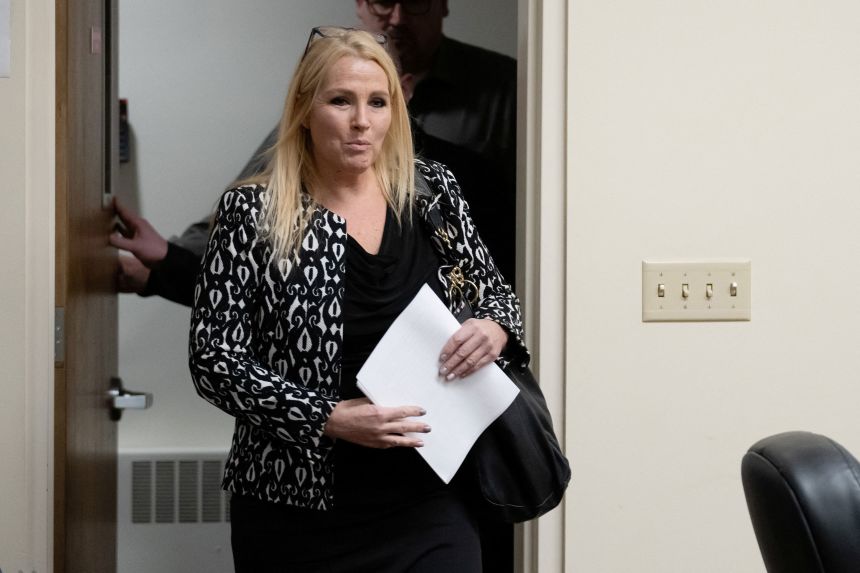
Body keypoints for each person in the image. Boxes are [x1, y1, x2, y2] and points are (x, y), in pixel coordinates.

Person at [187, 28, 527, 572]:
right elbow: (213, 360)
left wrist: (495, 327)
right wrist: (329, 418)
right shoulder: (252, 212)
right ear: (304, 108)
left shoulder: (432, 193)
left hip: (430, 493)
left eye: (377, 102)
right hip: (294, 507)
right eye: (340, 101)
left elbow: (495, 295)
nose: (361, 121)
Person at [113, 0, 517, 304]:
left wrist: (495, 323)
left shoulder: (502, 98)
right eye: (341, 100)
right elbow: (254, 223)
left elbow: (509, 256)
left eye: (414, 1)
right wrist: (167, 263)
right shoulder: (309, 128)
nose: (396, 17)